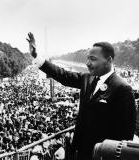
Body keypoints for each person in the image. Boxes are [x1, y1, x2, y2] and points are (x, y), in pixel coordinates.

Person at [26, 32, 136, 160]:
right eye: (88, 58)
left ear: (109, 60)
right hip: (80, 151)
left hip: (101, 154)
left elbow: (125, 134)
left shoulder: (122, 88)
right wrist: (36, 56)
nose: (88, 63)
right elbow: (62, 75)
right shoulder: (87, 78)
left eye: (93, 59)